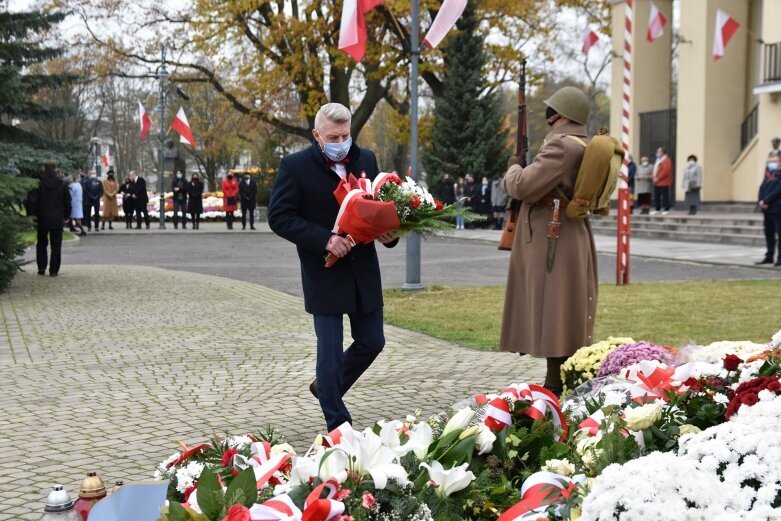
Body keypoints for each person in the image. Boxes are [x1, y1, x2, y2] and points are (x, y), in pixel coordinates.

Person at [268, 102, 399, 432]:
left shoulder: (366, 159)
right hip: (323, 269)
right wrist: (324, 239)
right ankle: (339, 425)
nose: (342, 142)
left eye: (346, 135)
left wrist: (389, 234)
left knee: (373, 341)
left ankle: (325, 388)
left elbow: (376, 209)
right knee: (329, 349)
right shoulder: (294, 166)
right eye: (333, 136)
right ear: (317, 135)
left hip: (362, 269)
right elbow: (279, 217)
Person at [499, 86, 597, 396]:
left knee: (555, 306)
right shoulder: (580, 143)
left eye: (552, 111)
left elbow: (523, 186)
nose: (549, 117)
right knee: (562, 305)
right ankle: (557, 377)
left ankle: (556, 381)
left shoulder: (561, 146)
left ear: (562, 115)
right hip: (566, 230)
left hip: (553, 234)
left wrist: (514, 166)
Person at [31, 161, 71, 276]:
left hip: (42, 217)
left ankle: (42, 267)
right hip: (57, 217)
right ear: (55, 168)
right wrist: (67, 216)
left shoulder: (38, 182)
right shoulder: (62, 183)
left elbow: (32, 200)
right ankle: (54, 270)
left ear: (44, 167)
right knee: (56, 245)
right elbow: (67, 201)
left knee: (41, 243)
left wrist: (32, 215)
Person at [756, 152, 781, 266]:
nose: (772, 163)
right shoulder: (768, 173)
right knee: (768, 234)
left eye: (775, 161)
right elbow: (762, 187)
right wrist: (761, 201)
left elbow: (778, 190)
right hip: (767, 209)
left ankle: (780, 258)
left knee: (779, 234)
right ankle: (769, 256)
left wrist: (766, 201)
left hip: (777, 208)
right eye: (771, 161)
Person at [652, 147, 673, 214]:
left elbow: (665, 171)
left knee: (664, 196)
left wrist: (658, 178)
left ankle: (666, 209)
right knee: (656, 196)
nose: (657, 153)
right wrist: (654, 178)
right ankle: (657, 209)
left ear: (663, 152)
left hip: (663, 181)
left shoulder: (666, 160)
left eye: (659, 151)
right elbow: (655, 170)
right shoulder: (658, 160)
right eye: (657, 151)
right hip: (656, 181)